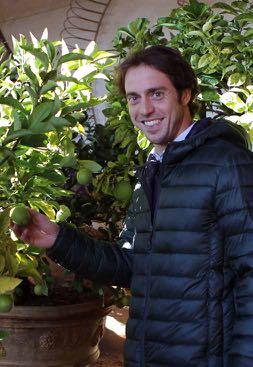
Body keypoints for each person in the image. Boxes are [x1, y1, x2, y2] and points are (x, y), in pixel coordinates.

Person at [12, 45, 253, 367]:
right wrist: (58, 240)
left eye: (156, 94)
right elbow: (134, 266)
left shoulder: (228, 165)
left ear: (185, 94)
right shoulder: (153, 171)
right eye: (133, 97)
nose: (145, 109)